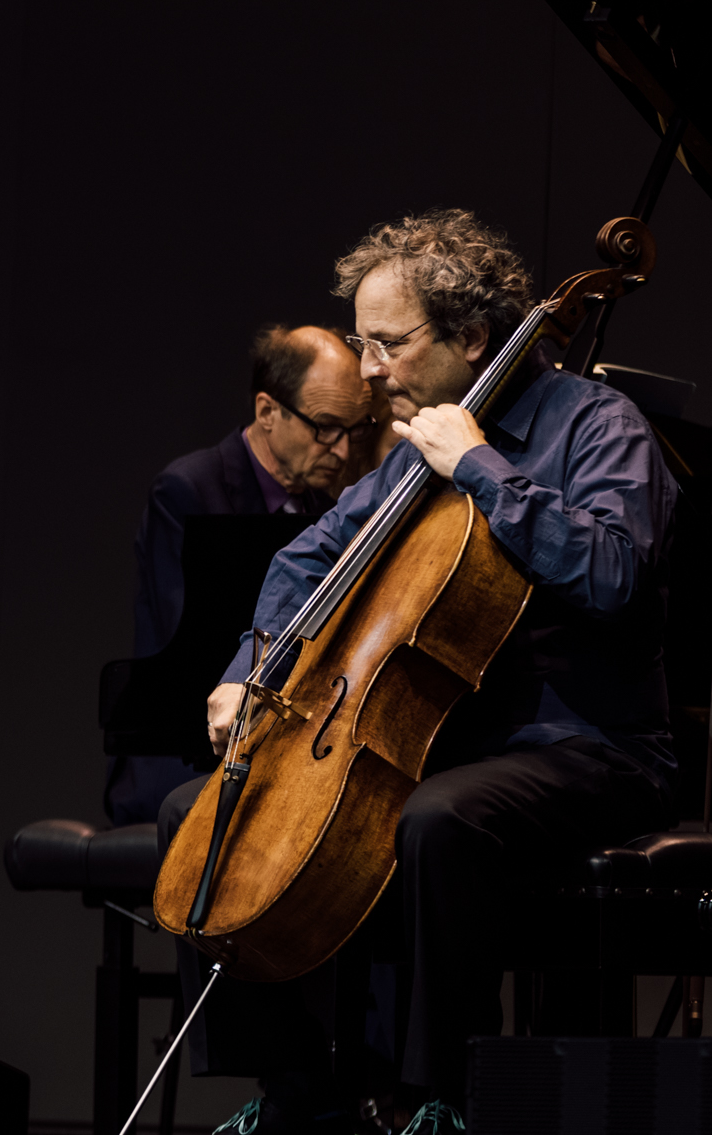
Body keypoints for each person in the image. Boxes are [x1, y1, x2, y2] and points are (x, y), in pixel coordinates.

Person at [161, 210, 677, 1135]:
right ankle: (290, 1093)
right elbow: (302, 563)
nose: (367, 370)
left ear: (473, 337)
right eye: (361, 344)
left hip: (583, 745)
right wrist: (252, 666)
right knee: (205, 808)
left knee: (437, 820)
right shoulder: (406, 454)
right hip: (441, 741)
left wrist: (478, 467)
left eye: (389, 343)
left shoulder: (596, 425)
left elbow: (612, 571)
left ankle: (435, 1099)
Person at [111, 326, 380, 826]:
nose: (343, 452)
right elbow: (194, 648)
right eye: (325, 428)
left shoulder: (331, 507)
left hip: (287, 739)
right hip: (185, 746)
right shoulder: (188, 490)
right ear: (267, 412)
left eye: (356, 429)